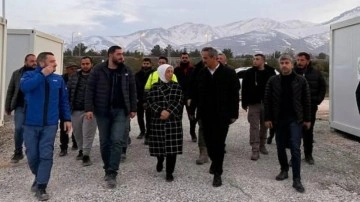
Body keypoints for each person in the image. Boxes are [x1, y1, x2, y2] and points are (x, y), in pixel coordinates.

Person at [20, 52, 72, 201]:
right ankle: (38, 177)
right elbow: (25, 87)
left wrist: (66, 119)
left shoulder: (58, 79)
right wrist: (42, 75)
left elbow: (63, 101)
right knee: (32, 155)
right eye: (52, 61)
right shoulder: (29, 76)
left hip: (50, 124)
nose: (56, 64)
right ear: (42, 63)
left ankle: (42, 186)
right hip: (30, 123)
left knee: (46, 154)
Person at [85, 46, 137, 189]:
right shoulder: (98, 70)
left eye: (122, 54)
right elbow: (89, 89)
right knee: (105, 142)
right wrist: (88, 108)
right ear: (110, 55)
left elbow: (133, 90)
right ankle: (107, 168)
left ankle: (113, 172)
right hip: (102, 111)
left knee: (117, 140)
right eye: (119, 54)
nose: (122, 57)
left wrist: (133, 108)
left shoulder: (126, 70)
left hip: (121, 111)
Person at [192, 47, 240, 187]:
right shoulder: (201, 73)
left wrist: (234, 114)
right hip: (205, 115)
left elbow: (234, 95)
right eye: (203, 57)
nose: (203, 60)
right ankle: (215, 161)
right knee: (209, 143)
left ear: (214, 58)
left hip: (222, 116)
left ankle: (218, 173)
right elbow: (196, 93)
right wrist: (193, 110)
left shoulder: (228, 73)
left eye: (206, 58)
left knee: (219, 144)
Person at [264, 54, 311, 193]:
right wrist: (268, 118)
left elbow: (306, 101)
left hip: (295, 119)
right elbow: (267, 101)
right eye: (282, 63)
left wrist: (307, 119)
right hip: (279, 119)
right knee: (280, 147)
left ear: (292, 64)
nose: (284, 65)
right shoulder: (273, 80)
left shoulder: (301, 80)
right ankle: (284, 169)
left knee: (295, 148)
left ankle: (297, 179)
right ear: (279, 65)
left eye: (287, 62)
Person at [147, 64, 184, 182]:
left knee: (172, 149)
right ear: (162, 73)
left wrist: (169, 112)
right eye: (168, 71)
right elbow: (150, 102)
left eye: (172, 71)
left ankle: (169, 172)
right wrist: (160, 111)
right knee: (159, 146)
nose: (170, 74)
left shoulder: (177, 87)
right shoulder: (154, 87)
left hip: (173, 121)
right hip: (158, 121)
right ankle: (160, 159)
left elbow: (179, 101)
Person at [241, 54, 276, 160]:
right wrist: (244, 103)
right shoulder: (249, 73)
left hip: (266, 104)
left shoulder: (270, 73)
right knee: (254, 127)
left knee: (265, 125)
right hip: (253, 104)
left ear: (263, 61)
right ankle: (255, 149)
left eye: (257, 59)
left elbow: (275, 88)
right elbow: (244, 88)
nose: (254, 61)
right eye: (254, 59)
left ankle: (262, 145)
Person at [294, 52, 326, 165]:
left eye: (302, 60)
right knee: (295, 133)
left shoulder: (316, 73)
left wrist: (317, 100)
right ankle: (294, 157)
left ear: (308, 61)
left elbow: (323, 87)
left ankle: (308, 155)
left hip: (310, 108)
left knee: (308, 132)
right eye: (298, 60)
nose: (299, 62)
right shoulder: (292, 73)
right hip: (295, 108)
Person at [5, 54, 37, 163]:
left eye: (35, 61)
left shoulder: (39, 73)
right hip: (20, 106)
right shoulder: (17, 74)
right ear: (25, 62)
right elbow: (10, 90)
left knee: (34, 130)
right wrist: (8, 106)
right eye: (32, 61)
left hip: (34, 107)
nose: (34, 63)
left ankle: (34, 152)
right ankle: (18, 152)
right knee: (19, 128)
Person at [67, 56, 97, 166]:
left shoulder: (96, 76)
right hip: (75, 109)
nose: (85, 66)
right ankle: (81, 149)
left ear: (91, 64)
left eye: (87, 63)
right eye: (83, 64)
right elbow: (69, 91)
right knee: (77, 133)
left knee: (88, 133)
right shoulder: (74, 76)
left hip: (90, 110)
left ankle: (86, 155)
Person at [143, 56, 178, 145]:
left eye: (163, 62)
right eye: (160, 62)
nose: (161, 64)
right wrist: (146, 100)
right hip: (154, 103)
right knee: (150, 120)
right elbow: (147, 88)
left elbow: (176, 89)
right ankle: (148, 136)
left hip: (166, 103)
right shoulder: (152, 74)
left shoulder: (172, 75)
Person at [188, 60, 209, 165]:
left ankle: (215, 150)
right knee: (202, 128)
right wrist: (191, 109)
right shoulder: (199, 72)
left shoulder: (225, 72)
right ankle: (203, 153)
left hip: (219, 108)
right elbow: (194, 91)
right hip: (202, 106)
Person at [174, 52, 197, 142]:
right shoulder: (176, 70)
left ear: (189, 58)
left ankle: (193, 133)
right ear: (180, 58)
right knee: (177, 117)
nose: (184, 59)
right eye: (183, 57)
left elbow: (195, 83)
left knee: (191, 116)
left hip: (190, 97)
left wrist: (191, 96)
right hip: (179, 96)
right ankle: (179, 134)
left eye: (186, 57)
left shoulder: (193, 69)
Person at [59, 63, 78, 156]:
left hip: (75, 106)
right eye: (71, 69)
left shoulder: (79, 78)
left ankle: (75, 142)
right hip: (65, 107)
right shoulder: (61, 79)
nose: (73, 70)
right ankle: (63, 147)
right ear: (67, 69)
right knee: (64, 128)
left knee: (76, 126)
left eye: (75, 69)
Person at [135, 58, 154, 140]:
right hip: (139, 98)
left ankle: (148, 133)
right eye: (144, 63)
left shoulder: (154, 74)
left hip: (150, 98)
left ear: (150, 64)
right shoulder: (137, 75)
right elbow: (134, 87)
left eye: (147, 63)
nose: (146, 65)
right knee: (140, 117)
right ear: (142, 64)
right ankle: (142, 131)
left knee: (149, 117)